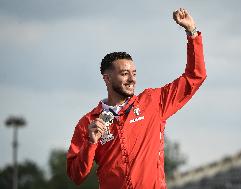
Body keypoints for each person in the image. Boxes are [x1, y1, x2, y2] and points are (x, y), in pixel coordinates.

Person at [66, 8, 207, 189]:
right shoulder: (88, 123)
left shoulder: (153, 102)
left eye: (134, 73)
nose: (132, 79)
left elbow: (195, 77)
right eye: (125, 74)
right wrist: (90, 143)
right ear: (107, 78)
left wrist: (192, 32)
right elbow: (76, 176)